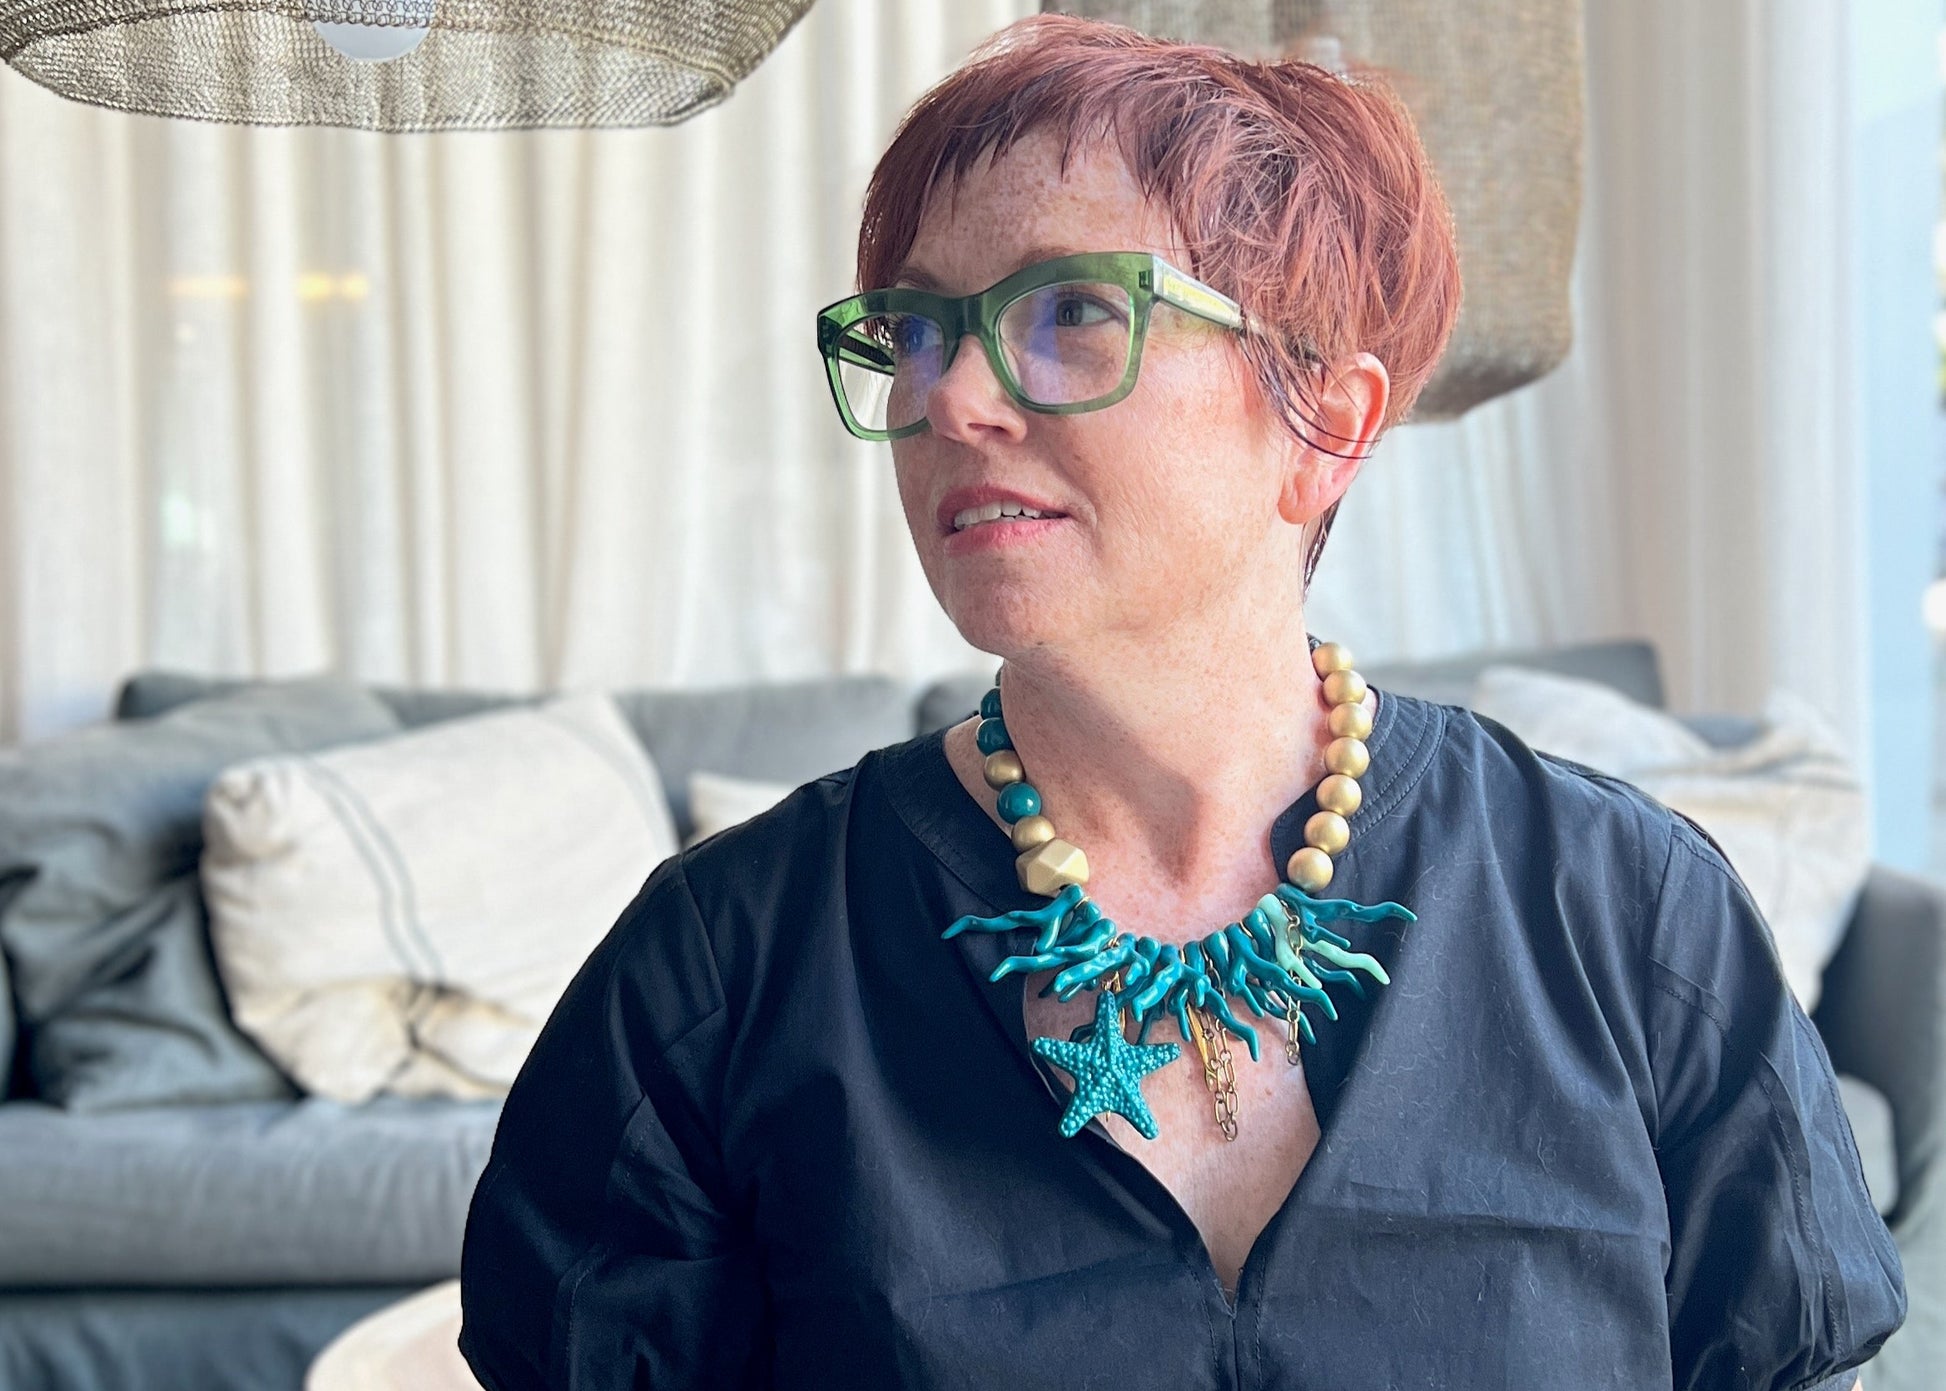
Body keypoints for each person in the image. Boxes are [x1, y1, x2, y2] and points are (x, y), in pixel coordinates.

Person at [457, 15, 1904, 1389]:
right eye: (912, 331)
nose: (951, 396)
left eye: (1073, 309)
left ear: (1322, 422)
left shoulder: (1627, 915)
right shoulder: (719, 967)